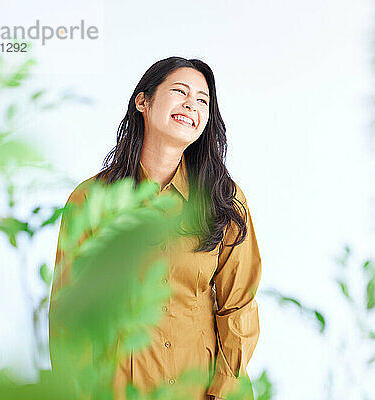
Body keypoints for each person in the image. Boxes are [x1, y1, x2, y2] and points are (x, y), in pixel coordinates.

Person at [49, 57, 262, 400]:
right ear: (143, 101)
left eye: (203, 100)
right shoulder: (92, 200)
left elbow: (239, 304)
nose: (191, 104)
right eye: (180, 92)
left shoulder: (223, 199)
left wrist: (224, 390)